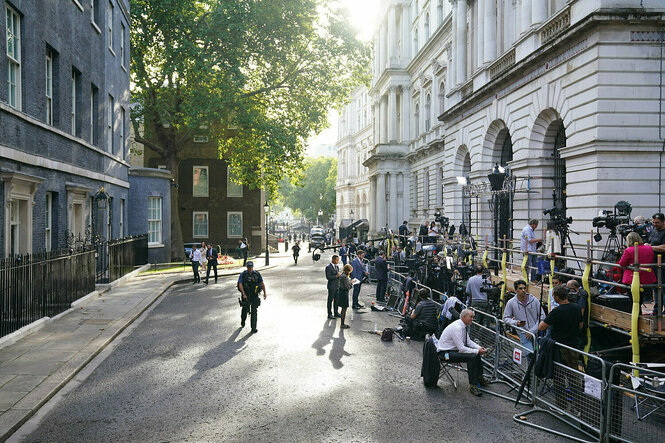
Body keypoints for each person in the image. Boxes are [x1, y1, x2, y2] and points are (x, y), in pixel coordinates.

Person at [538, 285, 583, 410]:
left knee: (559, 378)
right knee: (574, 378)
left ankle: (561, 407)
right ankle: (579, 407)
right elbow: (580, 325)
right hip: (573, 347)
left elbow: (541, 327)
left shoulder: (557, 311)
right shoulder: (576, 308)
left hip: (559, 348)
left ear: (557, 297)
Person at [436, 309, 490, 397]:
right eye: (471, 317)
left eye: (473, 317)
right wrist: (477, 351)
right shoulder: (457, 328)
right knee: (472, 356)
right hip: (445, 354)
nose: (472, 319)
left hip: (451, 351)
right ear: (464, 317)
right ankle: (473, 385)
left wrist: (479, 348)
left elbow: (468, 341)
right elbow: (461, 348)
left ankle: (480, 378)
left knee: (475, 354)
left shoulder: (462, 325)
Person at [502, 279, 545, 352]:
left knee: (538, 353)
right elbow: (505, 318)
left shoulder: (534, 300)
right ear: (516, 290)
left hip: (536, 332)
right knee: (530, 354)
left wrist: (533, 330)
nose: (523, 290)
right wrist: (516, 323)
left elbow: (542, 317)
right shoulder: (511, 303)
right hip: (523, 333)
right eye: (520, 288)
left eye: (524, 288)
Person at [618, 231, 656, 306]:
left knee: (634, 301)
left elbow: (622, 263)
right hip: (646, 277)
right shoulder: (649, 249)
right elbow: (651, 261)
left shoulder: (628, 250)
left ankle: (637, 314)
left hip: (632, 278)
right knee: (642, 298)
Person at [237, 261, 267, 333]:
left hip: (254, 295)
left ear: (253, 267)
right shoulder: (243, 274)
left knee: (254, 311)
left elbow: (262, 283)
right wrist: (243, 293)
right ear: (247, 267)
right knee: (245, 309)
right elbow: (240, 284)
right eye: (248, 267)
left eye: (251, 267)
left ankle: (253, 328)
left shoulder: (257, 274)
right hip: (246, 295)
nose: (250, 268)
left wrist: (265, 293)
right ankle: (243, 321)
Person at [566, 279, 589, 349]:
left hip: (578, 326)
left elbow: (581, 313)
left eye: (568, 287)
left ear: (573, 286)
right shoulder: (574, 295)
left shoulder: (581, 297)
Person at [337, 264, 353, 329]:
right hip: (343, 294)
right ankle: (342, 324)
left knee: (344, 309)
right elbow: (346, 287)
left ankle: (342, 323)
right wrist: (351, 284)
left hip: (342, 293)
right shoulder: (344, 277)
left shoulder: (343, 276)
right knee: (344, 309)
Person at [325, 255, 341, 319]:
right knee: (330, 300)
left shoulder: (337, 267)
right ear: (333, 260)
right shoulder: (328, 267)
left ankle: (336, 312)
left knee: (336, 300)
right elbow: (328, 277)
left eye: (338, 260)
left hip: (337, 286)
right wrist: (336, 276)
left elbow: (338, 275)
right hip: (331, 286)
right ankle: (329, 313)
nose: (337, 261)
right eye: (336, 260)